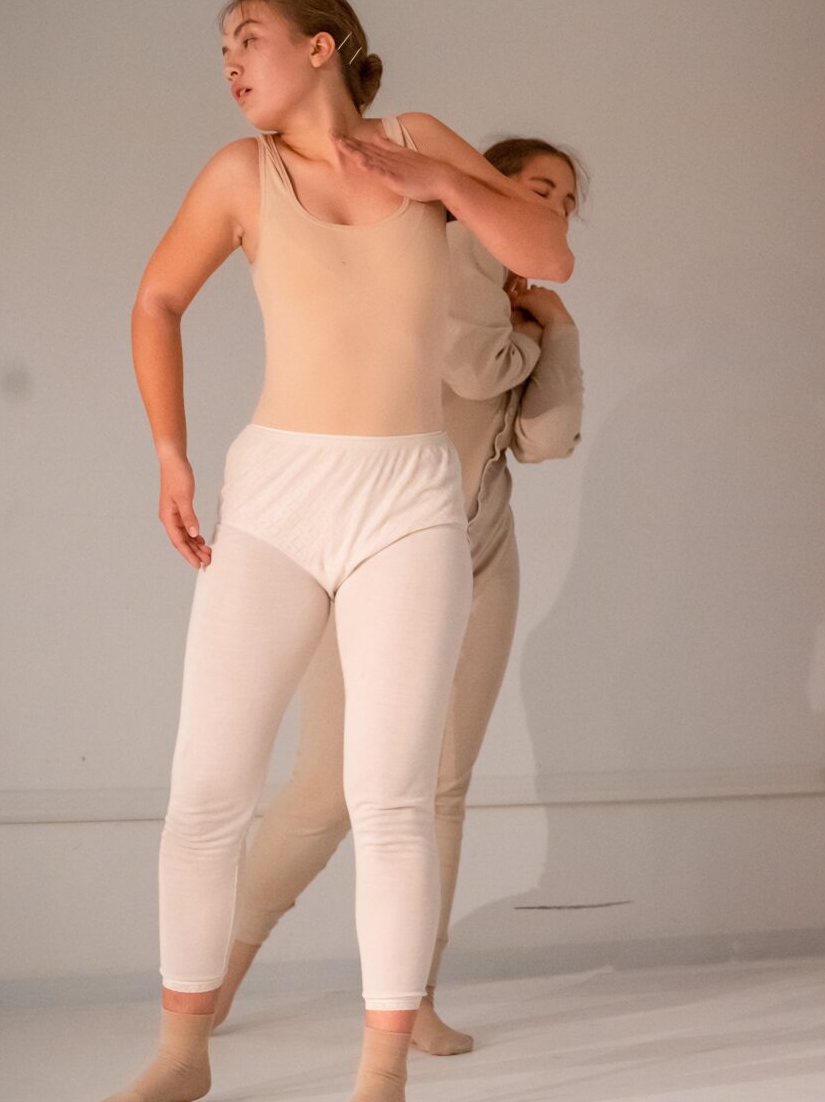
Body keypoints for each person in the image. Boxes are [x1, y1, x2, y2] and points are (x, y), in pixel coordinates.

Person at [108, 0, 571, 1102]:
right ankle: (181, 1052)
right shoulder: (242, 172)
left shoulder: (417, 141)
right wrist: (171, 456)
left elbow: (549, 254)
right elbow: (157, 301)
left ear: (321, 47)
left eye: (248, 38)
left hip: (409, 497)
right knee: (207, 788)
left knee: (391, 796)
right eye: (223, 47)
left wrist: (438, 181)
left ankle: (379, 1071)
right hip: (277, 493)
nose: (230, 61)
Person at [212, 137, 588, 1058]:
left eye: (568, 201)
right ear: (487, 183)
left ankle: (412, 996)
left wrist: (561, 332)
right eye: (540, 187)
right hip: (377, 549)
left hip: (481, 548)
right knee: (325, 791)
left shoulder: (519, 299)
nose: (554, 208)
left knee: (440, 791)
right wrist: (537, 329)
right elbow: (469, 368)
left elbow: (543, 441)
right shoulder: (444, 248)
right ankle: (210, 975)